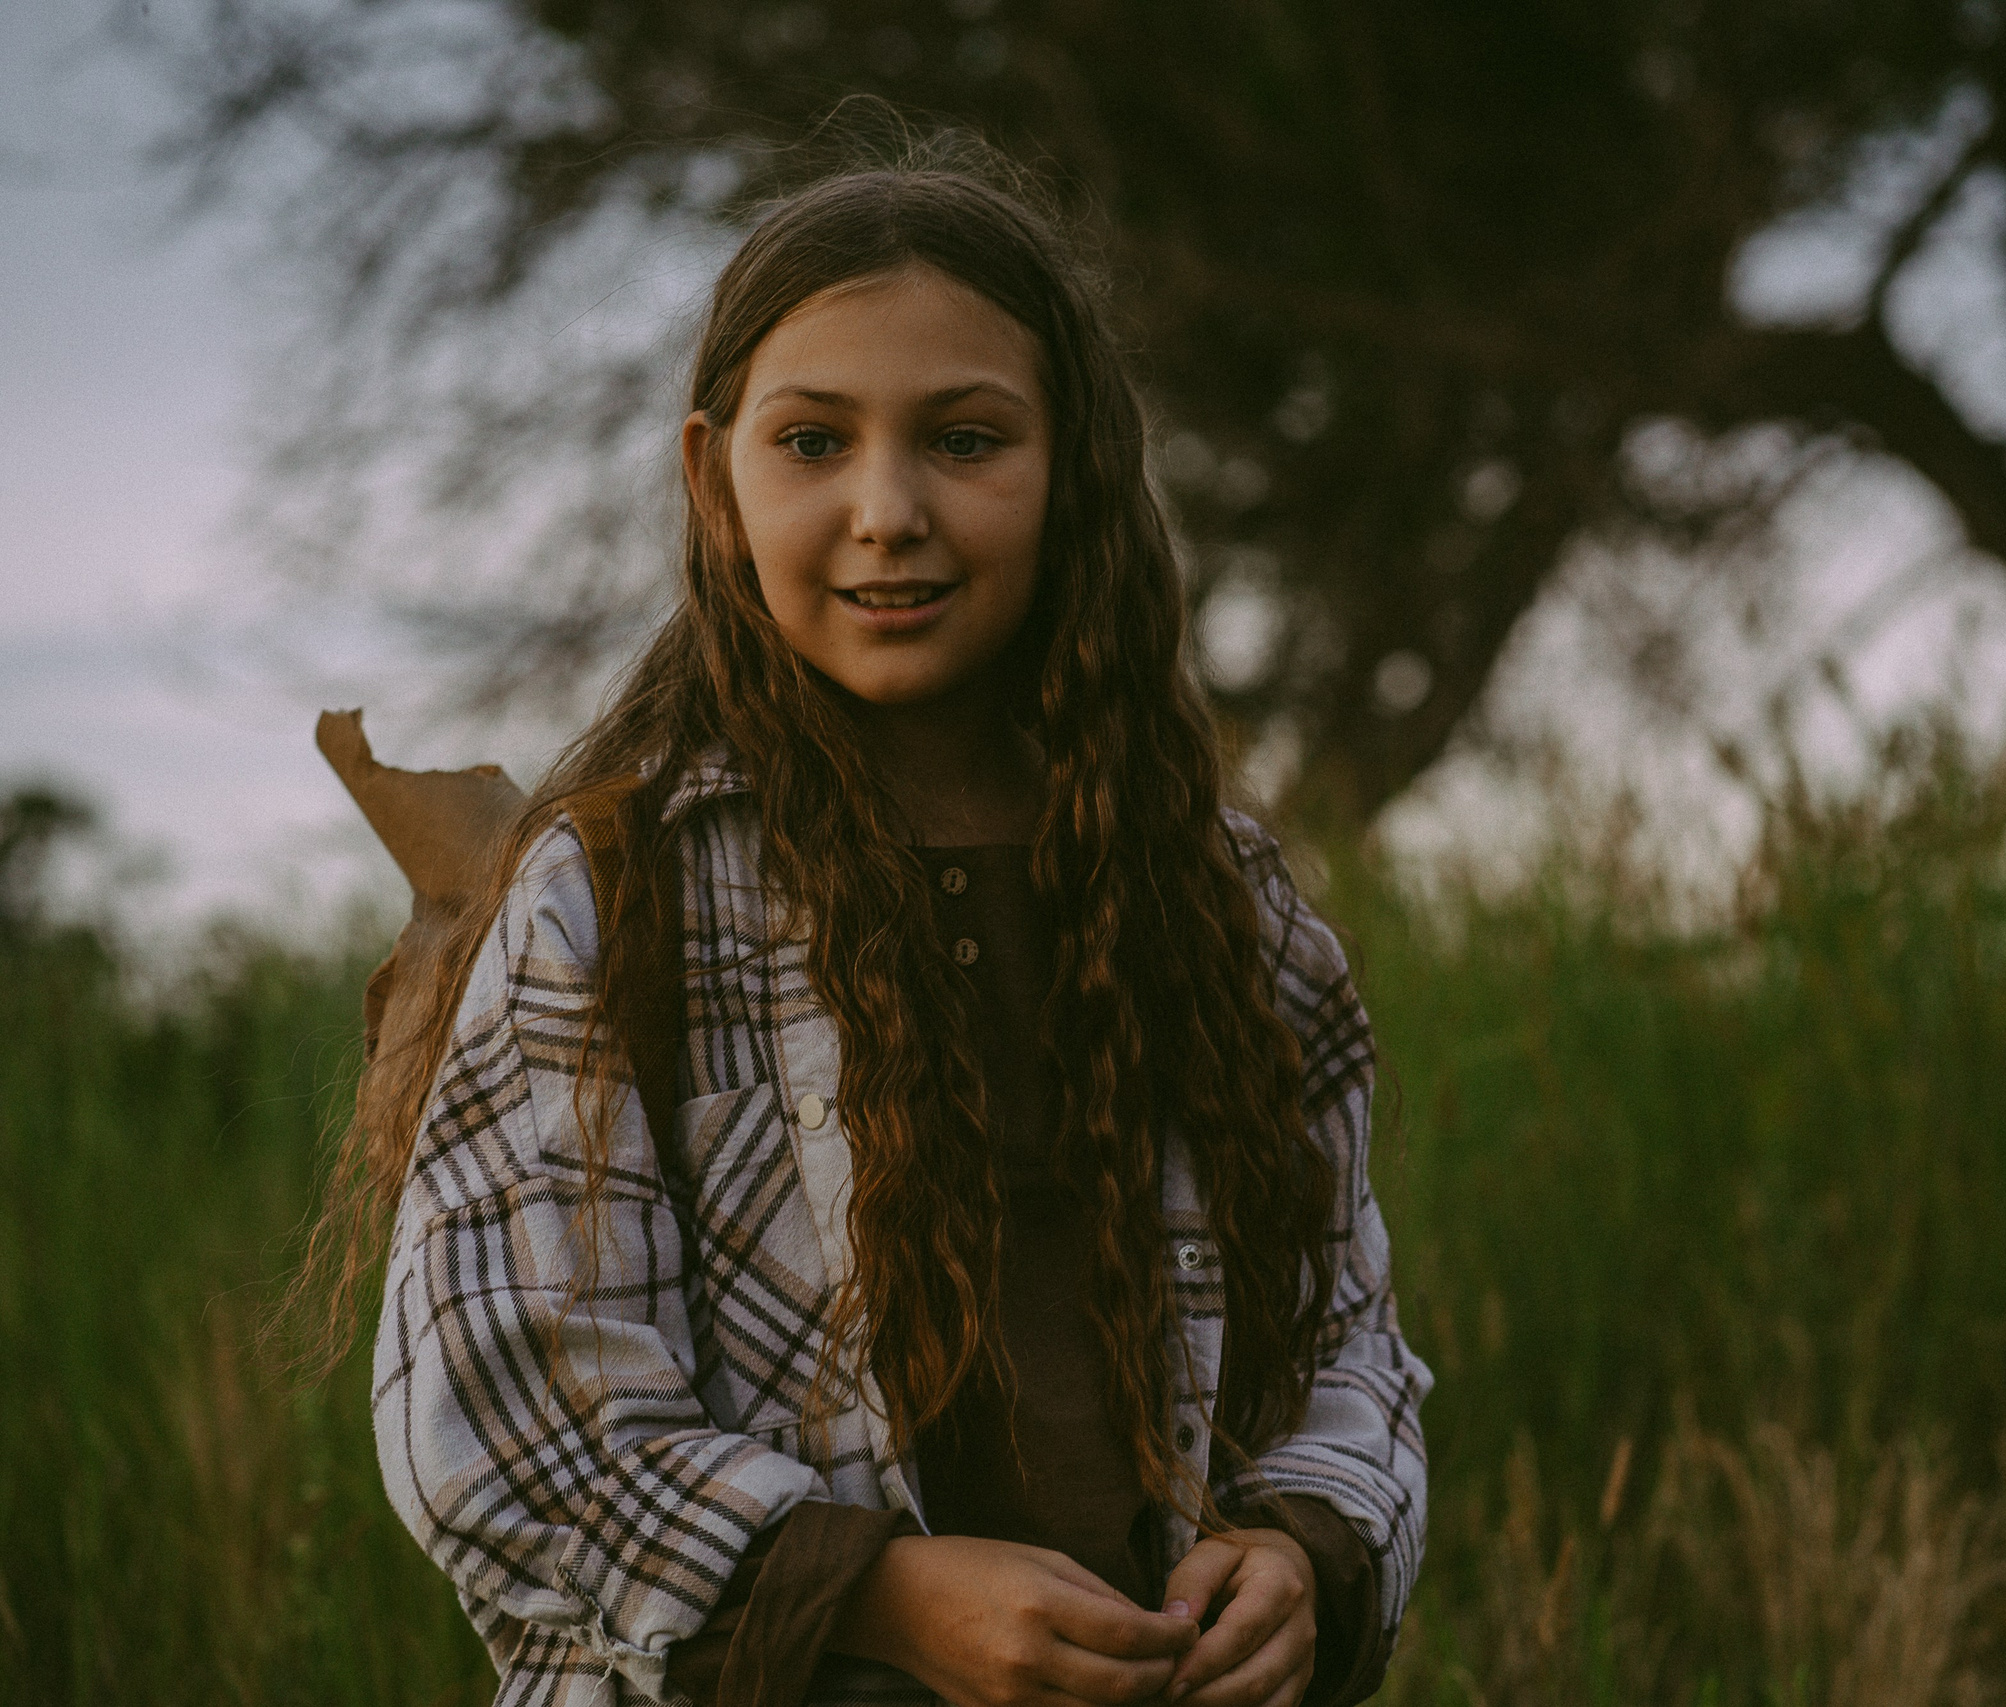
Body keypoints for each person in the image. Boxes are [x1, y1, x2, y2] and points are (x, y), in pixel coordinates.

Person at [310, 146, 1430, 1706]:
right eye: (812, 442)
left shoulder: (1223, 905)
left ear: (1074, 464)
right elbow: (500, 1409)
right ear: (715, 479)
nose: (887, 512)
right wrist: (881, 1598)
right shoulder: (614, 896)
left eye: (965, 440)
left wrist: (1308, 1548)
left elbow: (1351, 1343)